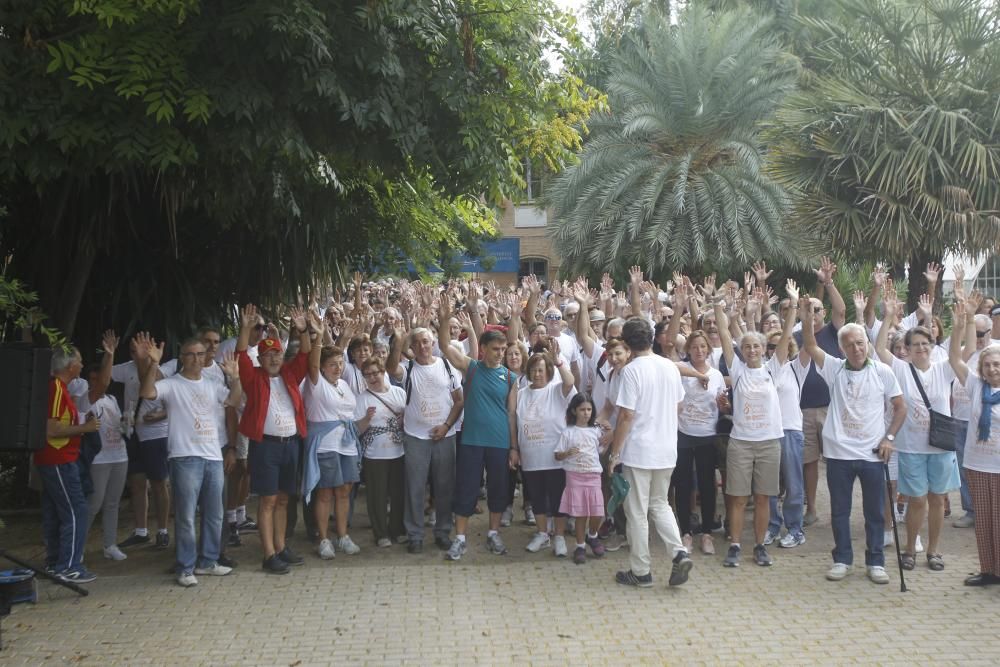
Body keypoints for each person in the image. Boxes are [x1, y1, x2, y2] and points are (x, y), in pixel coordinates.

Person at [800, 304, 903, 585]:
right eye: (849, 344)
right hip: (838, 454)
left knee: (873, 512)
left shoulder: (883, 371)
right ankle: (842, 559)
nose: (856, 348)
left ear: (867, 343)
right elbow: (810, 344)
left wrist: (889, 438)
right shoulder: (834, 368)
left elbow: (899, 407)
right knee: (840, 511)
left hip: (872, 454)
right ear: (842, 348)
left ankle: (876, 562)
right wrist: (807, 319)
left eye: (860, 342)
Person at [138, 334, 243, 587]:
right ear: (182, 358)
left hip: (212, 456)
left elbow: (233, 400)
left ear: (207, 357)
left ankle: (207, 561)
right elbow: (147, 392)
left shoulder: (211, 384)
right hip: (184, 457)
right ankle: (185, 567)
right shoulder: (173, 384)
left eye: (200, 354)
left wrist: (236, 377)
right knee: (185, 516)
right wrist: (153, 364)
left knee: (214, 514)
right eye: (190, 354)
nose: (196, 359)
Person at [875, 285, 960, 572]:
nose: (921, 349)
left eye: (925, 344)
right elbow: (878, 350)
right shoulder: (900, 369)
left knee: (937, 499)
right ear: (907, 350)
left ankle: (934, 552)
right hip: (911, 448)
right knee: (917, 500)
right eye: (915, 345)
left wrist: (963, 322)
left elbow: (965, 350)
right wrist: (887, 316)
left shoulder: (943, 368)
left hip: (939, 448)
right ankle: (910, 549)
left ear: (932, 346)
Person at [606, 318, 692, 588]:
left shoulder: (632, 371)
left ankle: (641, 571)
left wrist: (614, 453)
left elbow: (626, 415)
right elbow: (679, 405)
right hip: (667, 447)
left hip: (639, 450)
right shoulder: (669, 366)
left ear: (628, 343)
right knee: (660, 504)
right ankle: (678, 552)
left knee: (637, 512)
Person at [437, 295, 518, 561]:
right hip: (471, 440)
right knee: (467, 488)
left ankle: (494, 534)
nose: (500, 353)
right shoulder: (471, 367)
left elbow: (511, 414)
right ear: (483, 349)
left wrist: (514, 447)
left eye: (503, 349)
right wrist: (446, 316)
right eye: (496, 349)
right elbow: (445, 346)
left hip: (499, 442)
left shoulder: (510, 377)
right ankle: (460, 538)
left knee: (497, 490)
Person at [237, 304, 312, 574]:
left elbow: (305, 353)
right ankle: (268, 554)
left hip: (291, 444)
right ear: (260, 357)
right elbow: (240, 355)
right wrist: (245, 329)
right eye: (267, 354)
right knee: (268, 500)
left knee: (283, 499)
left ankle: (281, 547)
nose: (273, 358)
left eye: (277, 353)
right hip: (266, 446)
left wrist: (302, 329)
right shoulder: (253, 377)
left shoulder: (290, 374)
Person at [712, 290, 782, 568]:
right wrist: (717, 304)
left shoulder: (773, 370)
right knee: (738, 498)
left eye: (757, 346)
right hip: (741, 442)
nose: (752, 349)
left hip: (769, 443)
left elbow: (787, 337)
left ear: (764, 349)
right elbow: (725, 334)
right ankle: (735, 544)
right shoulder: (738, 370)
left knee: (763, 497)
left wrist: (791, 311)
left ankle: (761, 545)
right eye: (748, 346)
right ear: (742, 350)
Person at [386, 325, 464, 553]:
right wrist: (398, 340)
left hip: (445, 436)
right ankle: (415, 535)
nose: (422, 346)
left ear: (433, 343)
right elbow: (390, 369)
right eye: (417, 342)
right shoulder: (407, 367)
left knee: (445, 488)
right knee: (415, 488)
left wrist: (446, 425)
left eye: (426, 341)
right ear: (411, 347)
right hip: (416, 438)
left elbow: (459, 401)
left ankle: (442, 532)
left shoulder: (447, 366)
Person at [301, 323, 375, 560]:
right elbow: (311, 363)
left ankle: (342, 536)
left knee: (345, 491)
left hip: (347, 444)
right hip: (324, 445)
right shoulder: (315, 384)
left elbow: (350, 418)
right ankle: (324, 539)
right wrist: (320, 337)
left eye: (340, 363)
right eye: (332, 364)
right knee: (325, 494)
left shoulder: (343, 385)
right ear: (322, 367)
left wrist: (366, 420)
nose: (337, 367)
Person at [947, 296, 1000, 586]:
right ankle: (989, 570)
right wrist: (960, 325)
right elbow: (955, 358)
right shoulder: (976, 384)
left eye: (996, 365)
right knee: (984, 522)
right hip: (978, 464)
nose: (992, 369)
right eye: (988, 365)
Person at [38, 345, 101, 583]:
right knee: (76, 511)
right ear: (70, 366)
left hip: (60, 458)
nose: (82, 366)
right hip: (58, 458)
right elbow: (52, 429)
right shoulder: (55, 387)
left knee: (57, 510)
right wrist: (84, 428)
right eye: (80, 362)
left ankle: (56, 562)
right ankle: (69, 566)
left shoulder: (59, 387)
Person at [514, 340, 576, 556]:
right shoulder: (521, 394)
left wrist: (558, 361)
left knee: (558, 497)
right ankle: (542, 533)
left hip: (555, 456)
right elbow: (513, 421)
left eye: (541, 370)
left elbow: (570, 381)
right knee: (537, 497)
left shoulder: (556, 390)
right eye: (533, 370)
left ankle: (558, 536)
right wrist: (514, 449)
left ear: (548, 371)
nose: (537, 374)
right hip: (531, 456)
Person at [673, 329, 725, 555]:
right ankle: (686, 532)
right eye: (694, 347)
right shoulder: (682, 371)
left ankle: (707, 533)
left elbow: (722, 404)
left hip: (707, 435)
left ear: (709, 349)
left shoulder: (717, 375)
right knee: (683, 485)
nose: (699, 351)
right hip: (683, 434)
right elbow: (671, 366)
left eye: (703, 347)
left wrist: (724, 405)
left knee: (707, 485)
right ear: (688, 350)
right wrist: (698, 376)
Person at [764, 280, 807, 549]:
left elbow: (801, 336)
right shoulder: (766, 370)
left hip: (791, 431)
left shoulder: (797, 368)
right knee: (769, 487)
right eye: (771, 347)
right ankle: (771, 526)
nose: (775, 350)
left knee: (793, 485)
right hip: (768, 433)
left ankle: (795, 529)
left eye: (780, 346)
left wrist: (793, 306)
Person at [82, 332, 130, 562]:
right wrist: (109, 356)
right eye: (93, 379)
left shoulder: (111, 400)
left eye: (98, 378)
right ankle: (77, 547)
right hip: (99, 459)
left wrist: (127, 423)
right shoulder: (85, 399)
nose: (97, 382)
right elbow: (102, 384)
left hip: (119, 454)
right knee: (94, 503)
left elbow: (120, 424)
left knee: (113, 503)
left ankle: (109, 544)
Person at [356, 356, 406, 547]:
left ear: (383, 372)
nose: (372, 377)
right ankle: (381, 533)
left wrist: (403, 420)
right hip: (374, 454)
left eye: (375, 373)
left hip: (398, 451)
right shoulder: (362, 399)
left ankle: (398, 529)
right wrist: (366, 420)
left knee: (398, 493)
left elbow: (408, 420)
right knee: (377, 495)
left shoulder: (399, 393)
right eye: (367, 375)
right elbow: (356, 430)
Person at [555, 393, 610, 564]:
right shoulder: (568, 432)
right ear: (574, 411)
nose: (586, 413)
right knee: (580, 514)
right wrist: (566, 453)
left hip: (593, 475)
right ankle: (579, 546)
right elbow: (557, 455)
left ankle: (592, 536)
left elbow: (601, 449)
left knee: (597, 512)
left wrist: (609, 438)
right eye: (582, 410)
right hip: (574, 476)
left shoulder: (596, 431)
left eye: (589, 409)